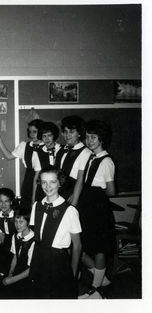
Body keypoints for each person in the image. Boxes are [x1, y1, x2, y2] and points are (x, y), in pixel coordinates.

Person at [29, 166, 82, 299]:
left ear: (60, 183)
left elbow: (77, 246)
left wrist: (73, 273)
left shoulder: (70, 211)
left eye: (52, 182)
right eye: (44, 182)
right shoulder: (36, 206)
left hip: (58, 262)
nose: (47, 186)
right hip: (39, 259)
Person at [78, 120, 116, 299]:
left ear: (101, 138)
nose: (89, 140)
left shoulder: (106, 161)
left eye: (93, 137)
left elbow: (111, 190)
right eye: (87, 137)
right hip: (86, 207)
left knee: (100, 248)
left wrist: (95, 194)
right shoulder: (91, 157)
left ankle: (95, 288)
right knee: (83, 248)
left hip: (99, 208)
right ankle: (102, 279)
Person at [0, 119, 45, 210]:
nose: (32, 134)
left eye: (34, 132)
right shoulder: (24, 146)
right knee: (27, 209)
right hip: (29, 180)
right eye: (30, 131)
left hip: (45, 181)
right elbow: (9, 156)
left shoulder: (48, 146)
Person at [0, 208, 35, 299]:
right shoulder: (16, 236)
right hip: (17, 271)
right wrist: (10, 273)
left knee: (4, 296)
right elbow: (15, 257)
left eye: (21, 222)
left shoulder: (34, 241)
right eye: (16, 221)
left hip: (28, 276)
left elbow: (32, 269)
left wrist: (12, 280)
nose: (17, 225)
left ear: (28, 222)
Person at [55, 115, 91, 208]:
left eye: (71, 132)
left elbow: (80, 180)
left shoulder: (85, 152)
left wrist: (75, 199)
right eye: (65, 132)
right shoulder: (61, 150)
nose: (67, 135)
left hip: (73, 193)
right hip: (58, 191)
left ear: (79, 133)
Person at [34, 121, 62, 202]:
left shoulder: (63, 150)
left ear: (54, 136)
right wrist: (34, 199)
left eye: (49, 135)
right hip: (44, 189)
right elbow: (37, 176)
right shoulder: (38, 152)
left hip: (60, 189)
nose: (46, 139)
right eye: (44, 136)